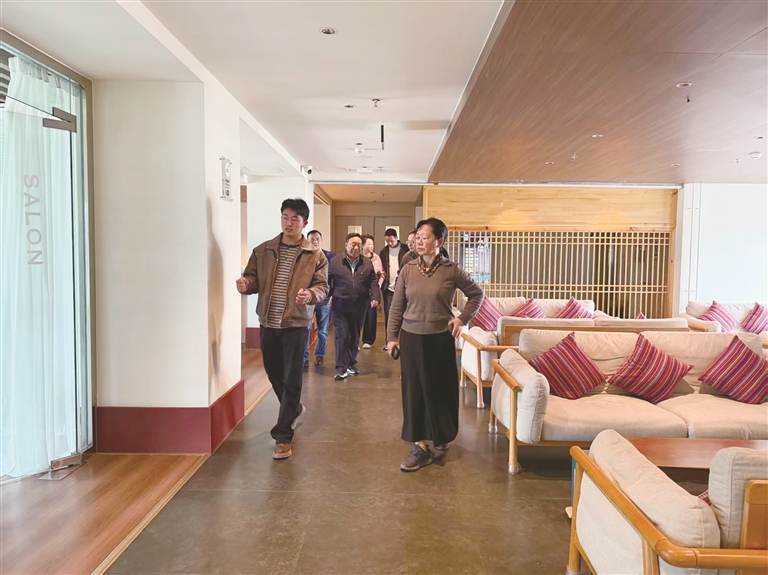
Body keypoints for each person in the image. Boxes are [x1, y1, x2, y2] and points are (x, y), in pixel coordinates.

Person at [387, 217, 484, 472]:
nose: (419, 241)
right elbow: (397, 306)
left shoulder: (452, 270)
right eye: (418, 237)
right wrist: (392, 337)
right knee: (414, 392)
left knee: (440, 390)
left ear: (439, 242)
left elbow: (476, 294)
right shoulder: (408, 269)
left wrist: (462, 319)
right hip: (411, 337)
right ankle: (420, 445)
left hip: (440, 339)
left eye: (425, 237)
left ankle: (441, 435)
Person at [236, 198, 329, 461]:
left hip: (296, 324)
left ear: (304, 223)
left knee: (292, 378)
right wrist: (246, 285)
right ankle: (294, 409)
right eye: (285, 217)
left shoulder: (315, 255)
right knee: (274, 372)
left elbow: (323, 287)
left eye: (295, 219)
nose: (289, 223)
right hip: (268, 322)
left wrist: (310, 294)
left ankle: (283, 435)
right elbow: (253, 278)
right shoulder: (263, 250)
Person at [328, 233, 381, 380]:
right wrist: (327, 295)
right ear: (346, 245)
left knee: (354, 336)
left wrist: (375, 297)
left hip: (360, 306)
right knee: (342, 335)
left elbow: (373, 281)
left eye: (359, 245)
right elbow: (328, 281)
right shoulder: (335, 262)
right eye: (353, 244)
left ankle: (351, 363)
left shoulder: (367, 263)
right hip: (340, 306)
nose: (356, 247)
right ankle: (341, 368)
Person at [304, 230, 336, 369]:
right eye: (312, 239)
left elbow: (334, 277)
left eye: (317, 239)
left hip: (324, 298)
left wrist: (333, 294)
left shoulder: (330, 256)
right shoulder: (303, 256)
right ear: (307, 240)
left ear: (321, 240)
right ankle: (304, 358)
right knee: (306, 329)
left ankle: (320, 355)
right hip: (308, 299)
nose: (315, 241)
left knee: (322, 330)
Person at [379, 228, 409, 350]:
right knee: (389, 314)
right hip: (389, 288)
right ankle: (389, 340)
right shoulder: (383, 252)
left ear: (397, 238)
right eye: (387, 241)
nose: (390, 243)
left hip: (403, 287)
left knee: (404, 314)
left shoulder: (406, 249)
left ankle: (403, 341)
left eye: (391, 241)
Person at [361, 234, 384, 349]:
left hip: (372, 289)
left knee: (370, 315)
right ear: (363, 245)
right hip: (359, 289)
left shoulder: (376, 257)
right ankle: (354, 340)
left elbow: (381, 273)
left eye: (372, 244)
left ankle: (368, 340)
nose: (371, 246)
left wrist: (378, 285)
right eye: (369, 244)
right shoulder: (358, 256)